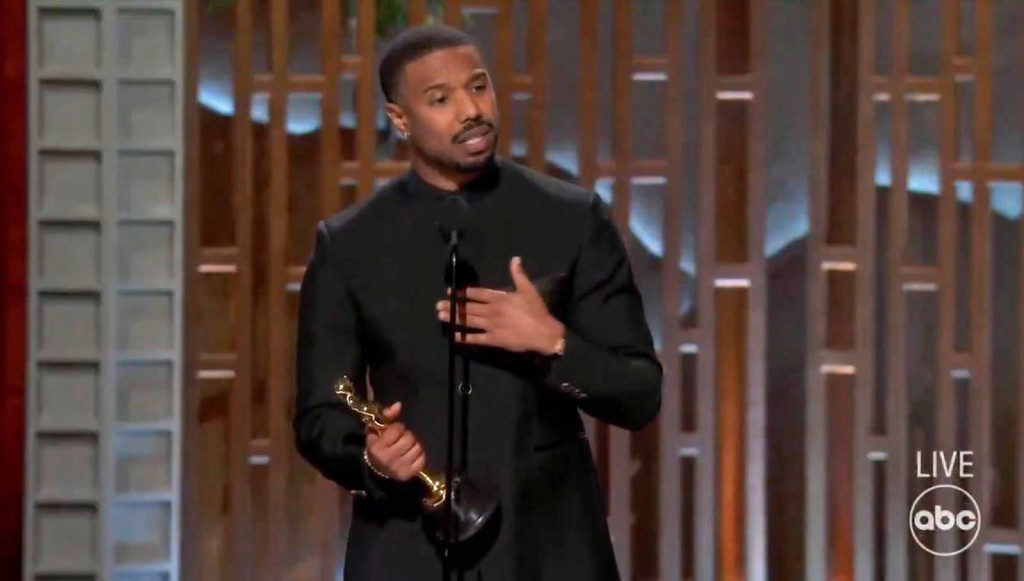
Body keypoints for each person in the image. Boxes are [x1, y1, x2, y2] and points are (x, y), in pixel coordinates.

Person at [293, 23, 662, 581]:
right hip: (407, 550)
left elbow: (640, 393)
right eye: (440, 99)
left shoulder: (571, 219)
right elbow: (320, 415)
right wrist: (370, 459)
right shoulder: (350, 244)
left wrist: (552, 343)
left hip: (546, 550)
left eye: (479, 87)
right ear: (399, 119)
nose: (471, 111)